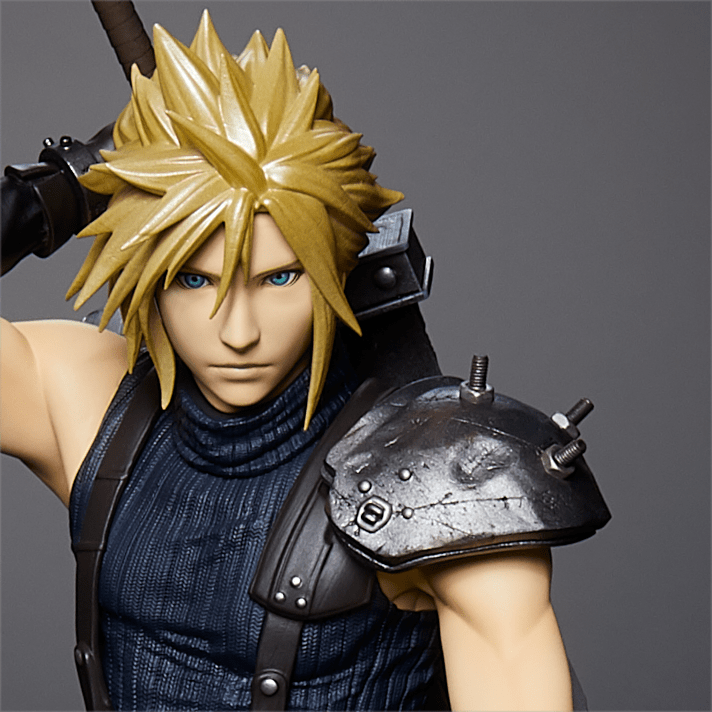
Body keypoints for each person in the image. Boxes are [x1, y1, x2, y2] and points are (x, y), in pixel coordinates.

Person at [1, 11, 604, 710]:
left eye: (279, 277)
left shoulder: (447, 480)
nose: (238, 332)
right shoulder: (84, 398)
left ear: (332, 268)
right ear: (143, 273)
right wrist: (68, 185)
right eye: (193, 280)